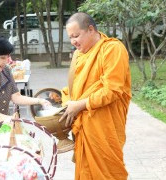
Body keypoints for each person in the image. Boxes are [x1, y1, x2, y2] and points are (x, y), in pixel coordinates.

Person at [59, 12, 131, 180]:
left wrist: (79, 105)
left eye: (76, 36)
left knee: (108, 173)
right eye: (70, 38)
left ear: (91, 29)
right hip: (85, 127)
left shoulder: (112, 48)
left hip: (103, 127)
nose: (73, 42)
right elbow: (78, 87)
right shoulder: (79, 54)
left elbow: (112, 90)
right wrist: (63, 97)